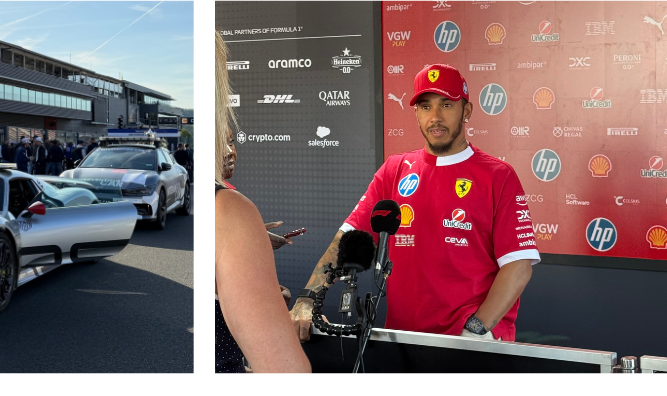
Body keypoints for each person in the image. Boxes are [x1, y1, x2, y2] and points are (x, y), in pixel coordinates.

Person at [290, 63, 537, 348]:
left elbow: (518, 266)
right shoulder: (395, 170)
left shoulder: (498, 176)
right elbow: (347, 239)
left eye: (446, 104)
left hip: (472, 342)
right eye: (425, 106)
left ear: (466, 111)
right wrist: (307, 299)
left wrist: (474, 331)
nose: (435, 117)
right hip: (403, 340)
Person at [215, 33, 311, 373]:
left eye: (234, 141)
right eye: (223, 140)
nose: (230, 152)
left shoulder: (222, 206)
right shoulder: (229, 209)